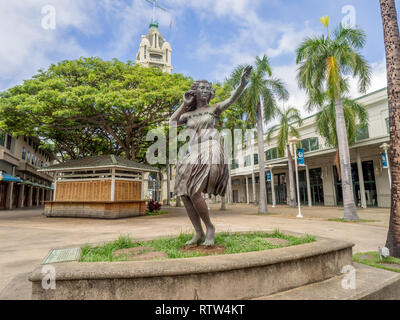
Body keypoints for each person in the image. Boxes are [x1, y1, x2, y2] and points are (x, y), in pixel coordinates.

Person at [170, 66, 252, 246]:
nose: (206, 91)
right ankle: (198, 232)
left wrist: (242, 84)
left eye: (208, 89)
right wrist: (184, 103)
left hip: (210, 149)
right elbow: (172, 123)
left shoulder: (214, 109)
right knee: (184, 193)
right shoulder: (188, 113)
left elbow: (231, 100)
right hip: (193, 153)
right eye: (202, 88)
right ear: (195, 92)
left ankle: (210, 228)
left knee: (195, 190)